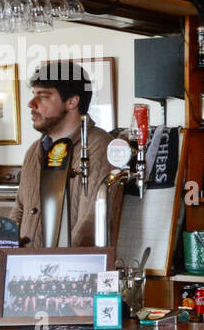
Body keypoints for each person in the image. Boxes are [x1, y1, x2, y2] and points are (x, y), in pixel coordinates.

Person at [7, 61, 124, 248]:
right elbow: (20, 209)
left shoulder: (101, 147)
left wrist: (60, 265)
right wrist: (6, 253)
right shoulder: (34, 150)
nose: (31, 104)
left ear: (72, 102)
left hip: (71, 272)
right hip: (26, 270)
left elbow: (91, 223)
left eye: (43, 96)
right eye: (33, 95)